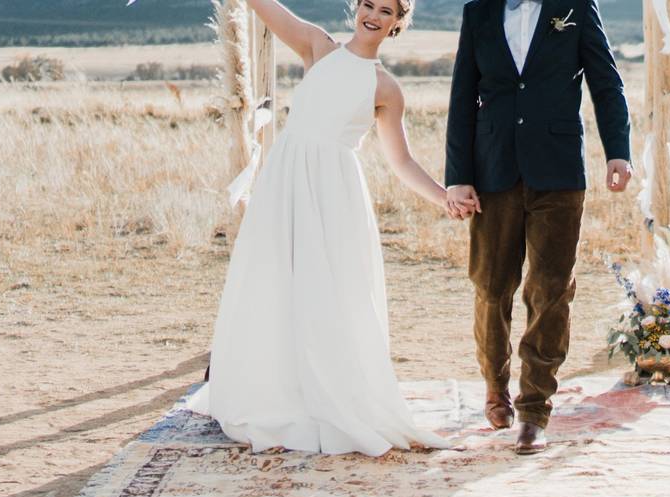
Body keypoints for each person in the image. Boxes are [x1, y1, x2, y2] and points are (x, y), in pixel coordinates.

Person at [187, 0, 470, 456]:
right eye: (368, 4)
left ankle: (328, 394)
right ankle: (270, 388)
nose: (373, 15)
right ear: (355, 7)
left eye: (387, 10)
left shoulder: (386, 88)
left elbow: (401, 161)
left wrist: (443, 196)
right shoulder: (318, 47)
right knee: (273, 278)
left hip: (334, 193)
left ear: (399, 22)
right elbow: (266, 8)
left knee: (329, 290)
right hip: (285, 179)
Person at [445, 0, 633, 454]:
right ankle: (495, 385)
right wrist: (457, 176)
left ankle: (534, 409)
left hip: (558, 171)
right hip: (493, 171)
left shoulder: (577, 7)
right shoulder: (479, 13)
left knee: (550, 289)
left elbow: (606, 83)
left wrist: (618, 150)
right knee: (491, 286)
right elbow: (462, 94)